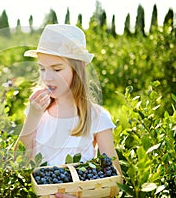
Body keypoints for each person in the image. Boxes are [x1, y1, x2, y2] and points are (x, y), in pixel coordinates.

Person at [16, 24, 122, 197]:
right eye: (42, 69)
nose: (47, 77)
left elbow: (116, 182)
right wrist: (33, 118)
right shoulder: (37, 111)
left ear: (78, 68)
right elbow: (18, 161)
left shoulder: (97, 117)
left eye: (57, 69)